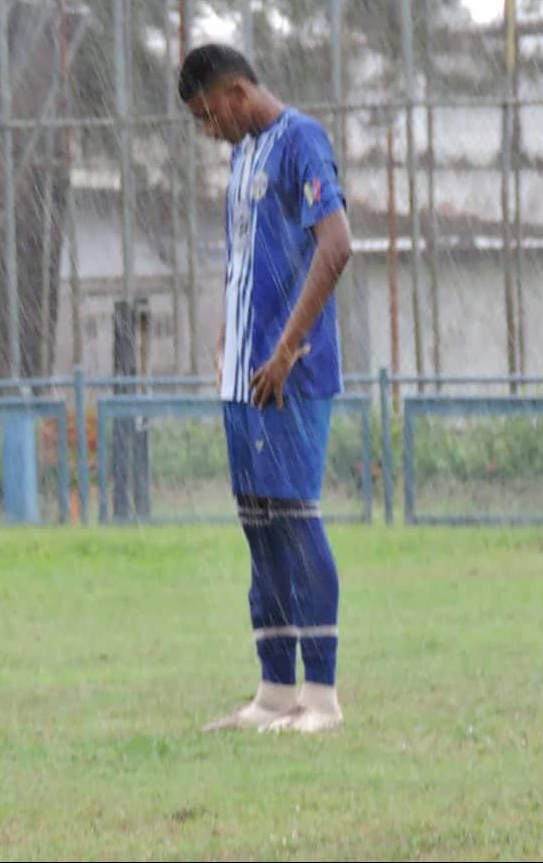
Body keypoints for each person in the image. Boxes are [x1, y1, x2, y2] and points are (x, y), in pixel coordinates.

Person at [178, 44, 352, 734]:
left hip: (291, 374)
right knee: (258, 524)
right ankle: (275, 691)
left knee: (295, 517)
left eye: (205, 113)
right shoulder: (241, 156)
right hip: (244, 377)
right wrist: (232, 337)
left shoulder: (300, 140)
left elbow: (334, 245)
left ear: (236, 92)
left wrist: (283, 350)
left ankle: (323, 698)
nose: (206, 128)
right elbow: (248, 261)